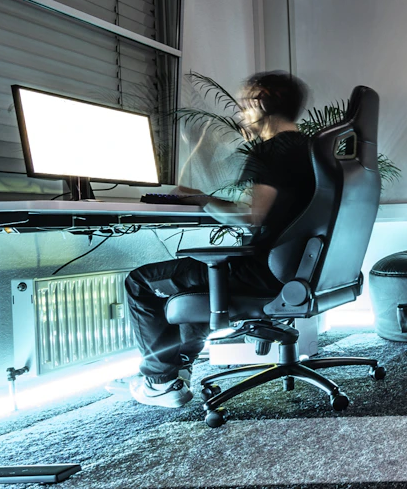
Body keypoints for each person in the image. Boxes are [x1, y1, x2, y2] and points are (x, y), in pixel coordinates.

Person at [124, 71, 318, 408]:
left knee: (141, 281)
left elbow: (252, 217)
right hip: (303, 269)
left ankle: (160, 380)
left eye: (244, 102)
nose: (239, 112)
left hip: (264, 272)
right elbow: (272, 210)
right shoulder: (314, 149)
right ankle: (177, 368)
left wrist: (199, 198)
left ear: (259, 101)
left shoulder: (272, 152)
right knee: (193, 274)